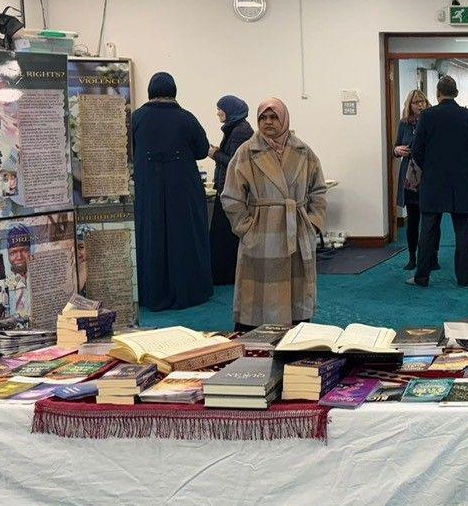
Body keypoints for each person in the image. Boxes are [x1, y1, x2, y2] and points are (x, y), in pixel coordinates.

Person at [221, 98, 327, 331]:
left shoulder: (304, 151)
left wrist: (313, 224)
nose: (268, 122)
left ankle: (296, 338)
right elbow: (231, 196)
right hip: (261, 235)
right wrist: (246, 228)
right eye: (263, 118)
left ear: (284, 119)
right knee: (257, 301)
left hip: (296, 231)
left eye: (273, 117)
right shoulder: (246, 152)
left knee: (296, 301)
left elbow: (318, 190)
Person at [131, 72, 212, 311]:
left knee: (151, 235)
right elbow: (202, 150)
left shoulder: (136, 118)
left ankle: (152, 293)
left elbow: (127, 151)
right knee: (184, 237)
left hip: (149, 188)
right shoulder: (187, 119)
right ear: (174, 90)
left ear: (150, 91)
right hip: (183, 188)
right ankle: (188, 291)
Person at [407, 75, 468, 288]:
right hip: (463, 181)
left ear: (438, 94)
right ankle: (464, 278)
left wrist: (430, 168)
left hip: (433, 181)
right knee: (462, 232)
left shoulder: (428, 116)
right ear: (457, 93)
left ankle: (421, 277)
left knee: (428, 231)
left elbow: (417, 150)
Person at [207, 95, 254, 286]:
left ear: (229, 111)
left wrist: (214, 154)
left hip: (232, 191)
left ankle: (225, 275)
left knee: (224, 236)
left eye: (220, 109)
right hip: (229, 189)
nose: (218, 112)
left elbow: (235, 162)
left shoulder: (239, 131)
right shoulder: (237, 128)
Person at [395, 89, 431, 270]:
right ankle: (412, 257)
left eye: (423, 102)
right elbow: (396, 147)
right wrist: (397, 150)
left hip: (428, 173)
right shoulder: (404, 124)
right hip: (410, 176)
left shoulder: (432, 121)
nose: (420, 105)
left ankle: (432, 257)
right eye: (417, 102)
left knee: (431, 219)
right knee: (413, 219)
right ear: (410, 105)